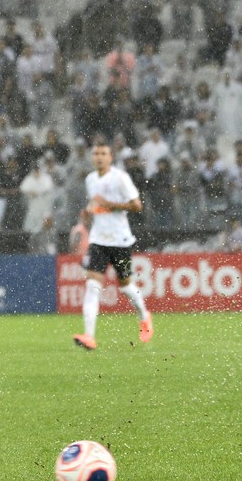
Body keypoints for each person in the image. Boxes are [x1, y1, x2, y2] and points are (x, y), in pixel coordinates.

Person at [73, 143, 153, 351]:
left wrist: (110, 205)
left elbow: (137, 205)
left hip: (120, 241)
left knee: (126, 286)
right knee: (92, 286)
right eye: (96, 154)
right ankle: (89, 336)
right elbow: (96, 205)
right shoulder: (90, 179)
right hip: (98, 240)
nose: (99, 157)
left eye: (103, 154)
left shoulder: (120, 178)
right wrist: (89, 212)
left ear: (111, 157)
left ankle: (144, 316)